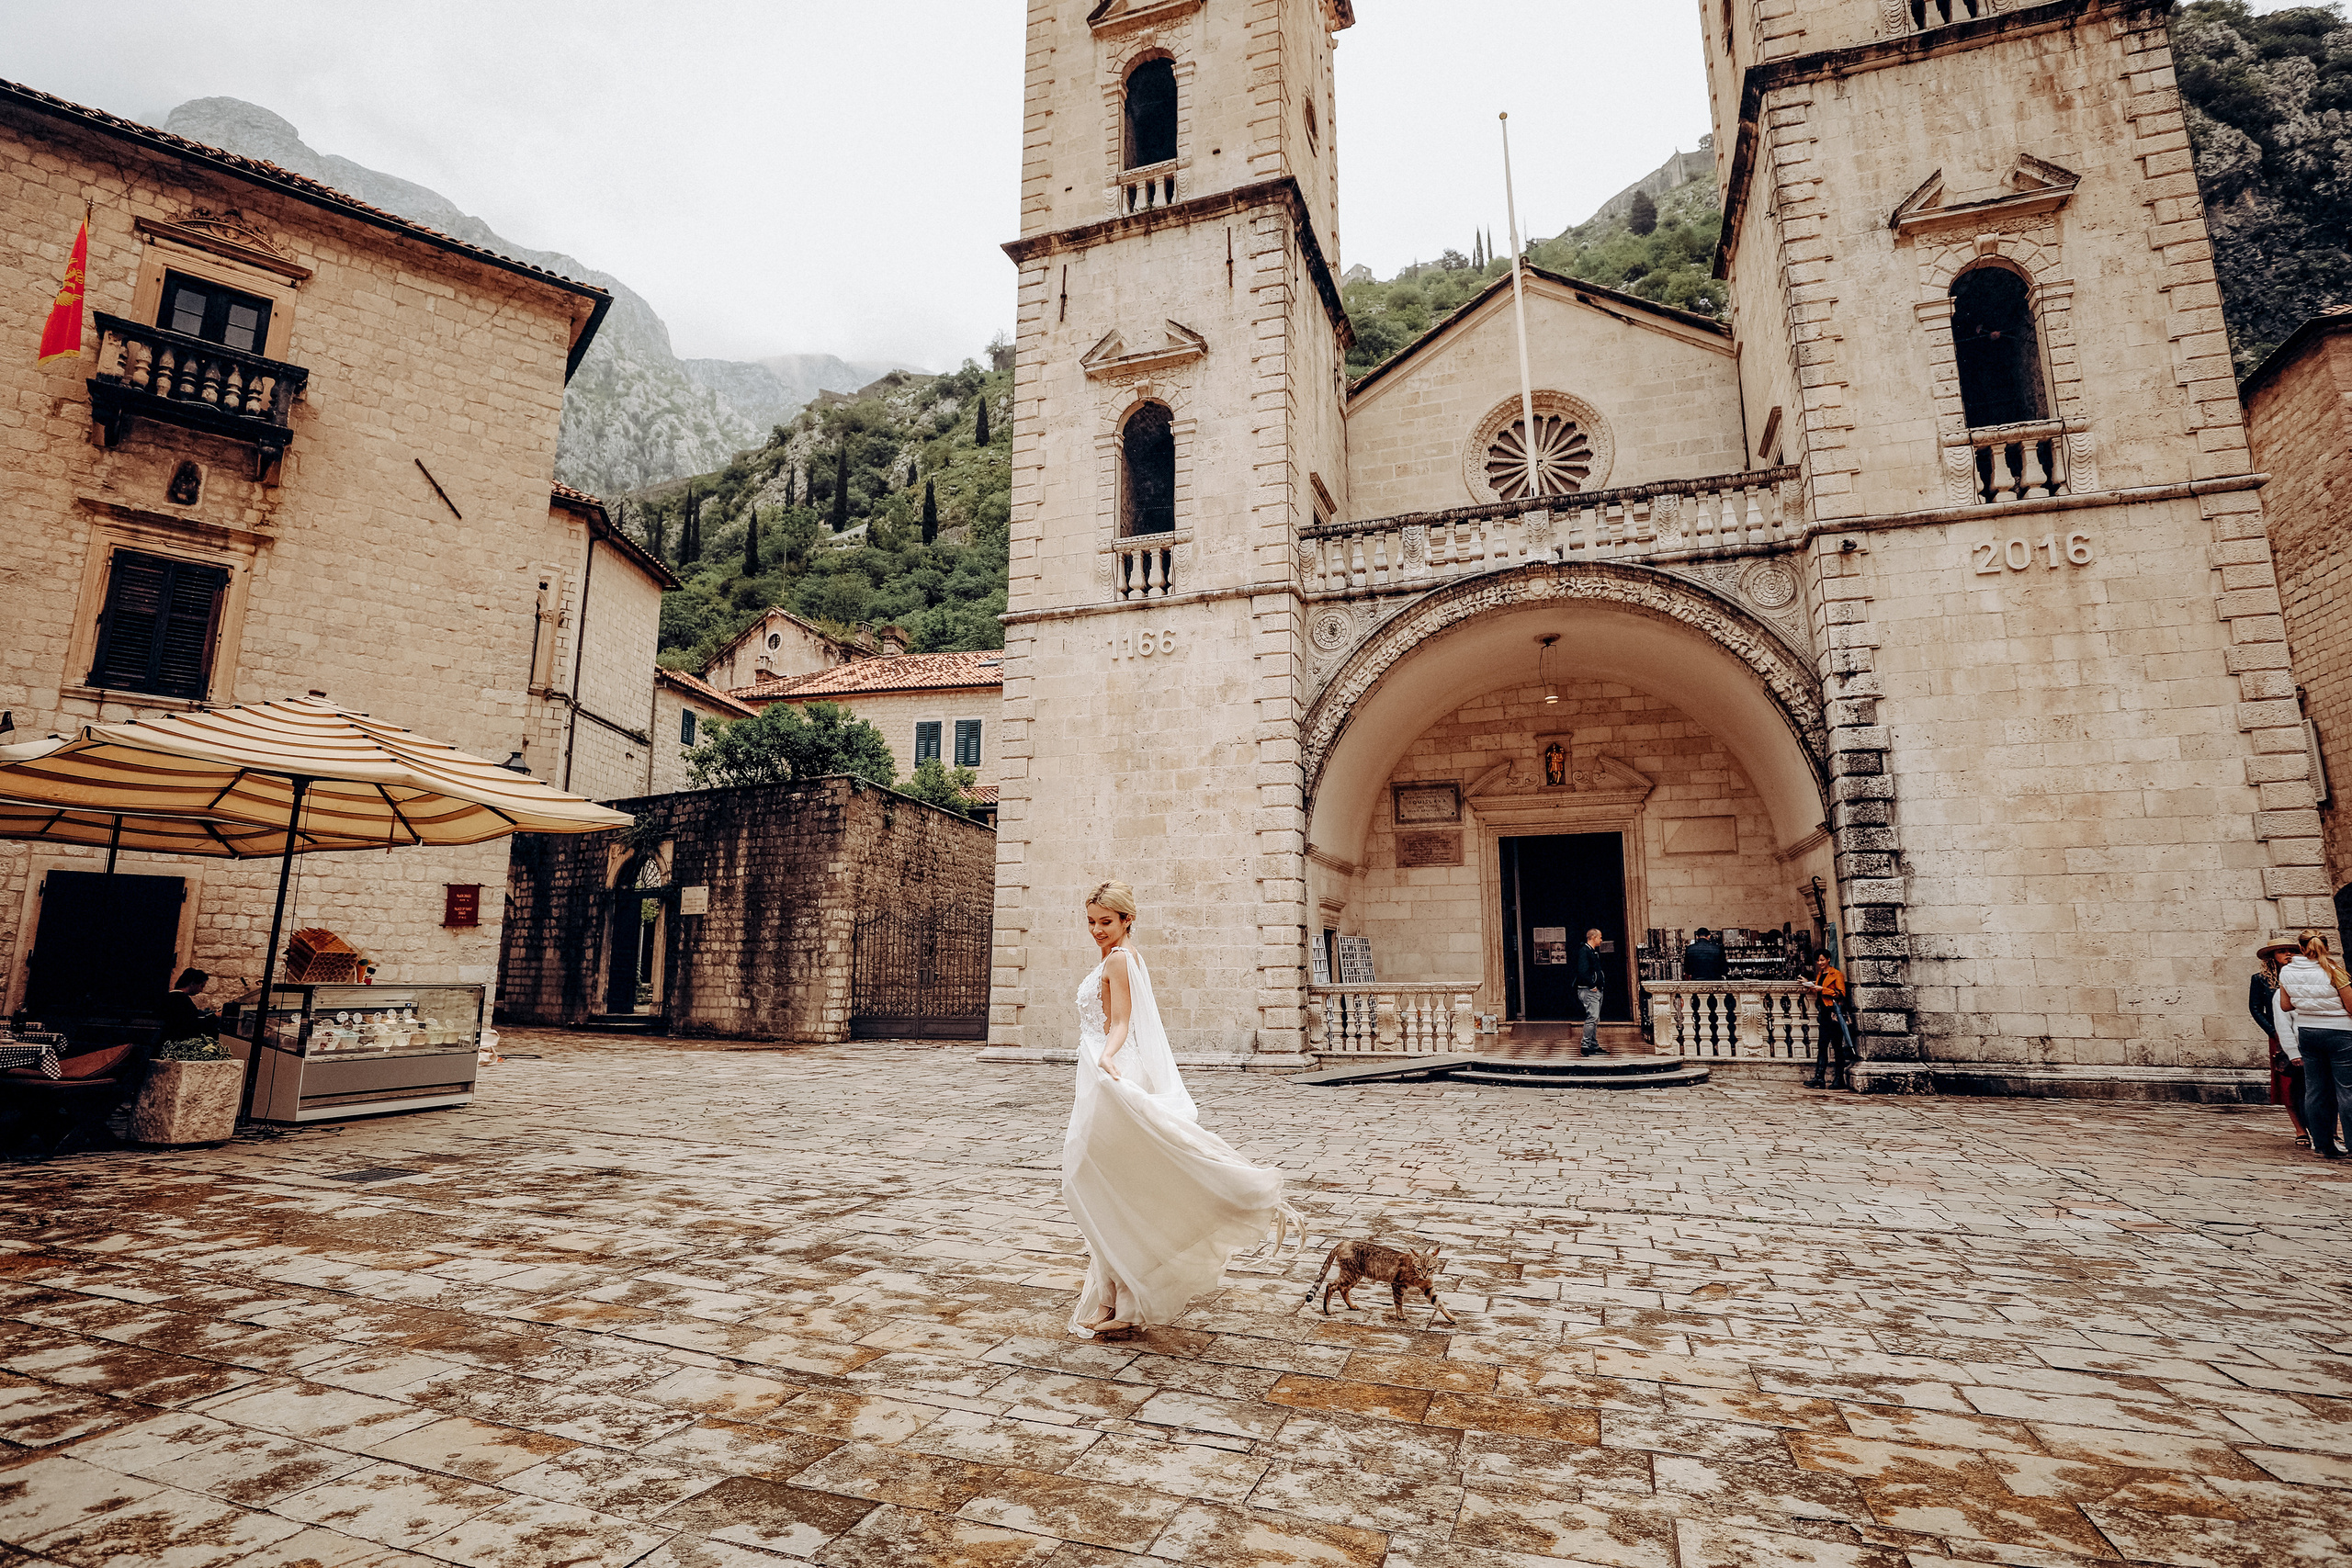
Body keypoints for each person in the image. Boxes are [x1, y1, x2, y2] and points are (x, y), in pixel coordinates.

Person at [1064, 880, 1298, 1336]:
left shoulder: (1120, 959)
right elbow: (1115, 1018)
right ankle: (1117, 1297)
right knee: (1107, 1181)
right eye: (1091, 922)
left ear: (1128, 920)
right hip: (1097, 1071)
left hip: (1108, 1070)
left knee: (1099, 1178)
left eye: (1105, 922)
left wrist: (1108, 1056)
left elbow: (1123, 1022)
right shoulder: (1116, 956)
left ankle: (1121, 1299)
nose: (1096, 930)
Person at [2277, 931, 2352, 1159]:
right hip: (2340, 1032)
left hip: (2308, 1032)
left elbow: (2286, 1006)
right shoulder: (2334, 971)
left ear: (2300, 948)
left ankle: (2322, 1143)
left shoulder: (2287, 971)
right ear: (2325, 947)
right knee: (2347, 1091)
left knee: (2315, 1089)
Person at [2255, 940, 2309, 1147]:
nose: (2288, 955)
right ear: (2272, 956)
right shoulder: (2261, 980)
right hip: (2279, 1035)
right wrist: (2273, 1032)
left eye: (2292, 951)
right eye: (2282, 952)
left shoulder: (2305, 975)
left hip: (2305, 1031)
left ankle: (2326, 1128)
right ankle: (2300, 1129)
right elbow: (2256, 1008)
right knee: (2288, 1083)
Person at [1801, 952, 1850, 1089]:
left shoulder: (1837, 974)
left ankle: (1839, 1078)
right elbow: (1819, 992)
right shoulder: (1820, 975)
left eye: (1822, 960)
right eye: (1818, 960)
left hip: (1833, 1013)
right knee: (1822, 1045)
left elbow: (1841, 993)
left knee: (1837, 1046)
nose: (1820, 963)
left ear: (1829, 959)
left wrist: (1823, 989)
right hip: (1824, 1013)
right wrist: (1809, 985)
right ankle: (1819, 1077)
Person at [1574, 929, 1608, 1056]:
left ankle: (1593, 1045)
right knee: (1592, 1017)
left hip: (1594, 990)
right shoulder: (1585, 951)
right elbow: (1582, 971)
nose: (1601, 940)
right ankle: (1586, 1045)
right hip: (1589, 990)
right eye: (1600, 937)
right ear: (1593, 937)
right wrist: (1592, 985)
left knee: (1595, 1018)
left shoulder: (1591, 951)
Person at [159, 967, 211, 1041]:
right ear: (192, 984)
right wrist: (213, 1017)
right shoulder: (181, 999)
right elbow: (192, 1023)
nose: (201, 990)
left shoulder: (170, 997)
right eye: (201, 986)